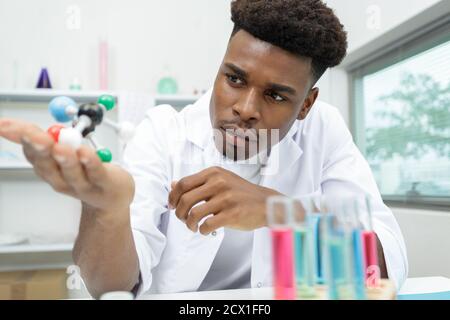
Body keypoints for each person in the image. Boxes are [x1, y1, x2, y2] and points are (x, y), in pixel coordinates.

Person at [0, 0, 408, 298]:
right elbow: (110, 286)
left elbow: (384, 268)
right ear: (219, 69)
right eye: (234, 79)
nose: (246, 109)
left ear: (306, 104)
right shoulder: (163, 133)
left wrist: (277, 211)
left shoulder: (325, 131)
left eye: (277, 96)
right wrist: (105, 211)